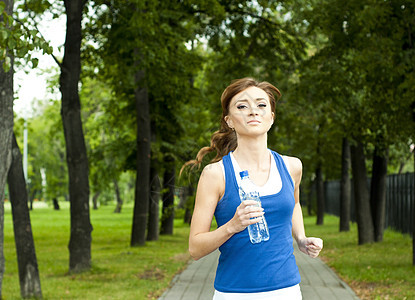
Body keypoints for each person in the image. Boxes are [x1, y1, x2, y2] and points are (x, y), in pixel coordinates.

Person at [183, 77, 323, 299]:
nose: (253, 111)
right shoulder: (216, 175)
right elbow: (195, 248)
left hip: (287, 291)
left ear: (271, 117)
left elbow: (294, 203)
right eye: (242, 106)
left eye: (261, 105)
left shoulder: (292, 166)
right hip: (234, 293)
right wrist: (232, 226)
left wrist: (302, 238)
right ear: (229, 120)